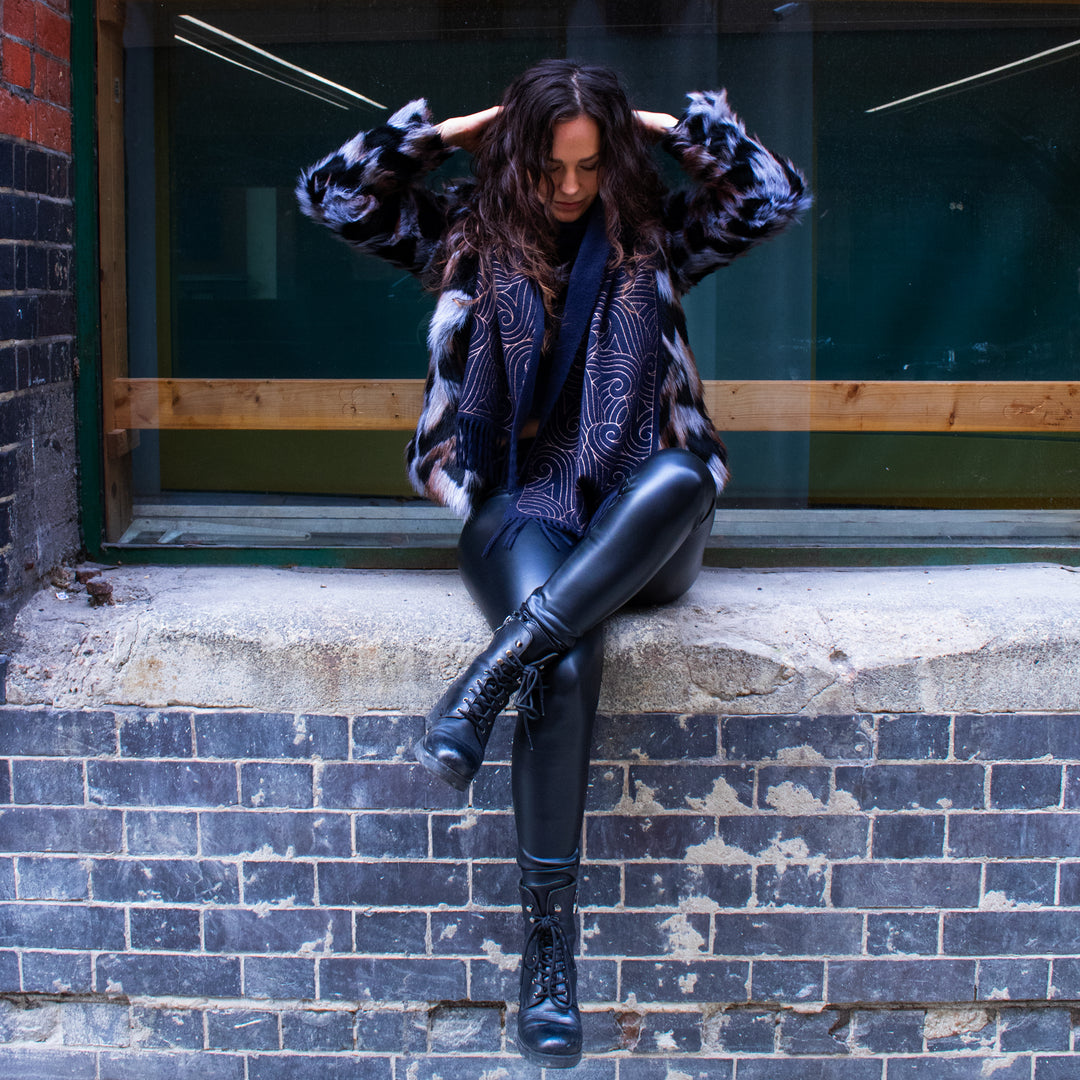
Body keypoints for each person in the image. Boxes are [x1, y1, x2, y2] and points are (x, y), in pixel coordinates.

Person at [297, 59, 808, 1069]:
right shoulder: (462, 240)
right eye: (550, 165)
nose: (571, 188)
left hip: (632, 516)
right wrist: (455, 129)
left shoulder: (654, 235)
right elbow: (331, 193)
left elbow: (773, 195)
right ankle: (547, 955)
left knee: (683, 476)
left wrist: (664, 124)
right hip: (519, 506)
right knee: (563, 663)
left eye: (589, 165)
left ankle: (481, 681)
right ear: (519, 155)